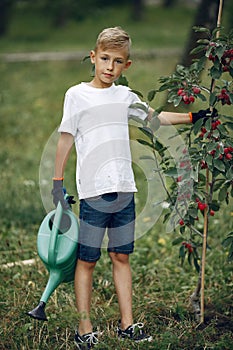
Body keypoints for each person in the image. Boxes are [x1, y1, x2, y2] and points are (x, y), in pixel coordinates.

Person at [51, 27, 212, 349]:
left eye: (118, 61)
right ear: (93, 57)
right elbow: (66, 137)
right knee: (87, 260)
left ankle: (128, 324)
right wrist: (57, 183)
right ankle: (84, 328)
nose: (110, 67)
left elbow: (154, 119)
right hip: (94, 193)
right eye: (105, 59)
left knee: (121, 257)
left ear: (127, 65)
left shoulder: (124, 97)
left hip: (125, 190)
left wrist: (193, 116)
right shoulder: (76, 94)